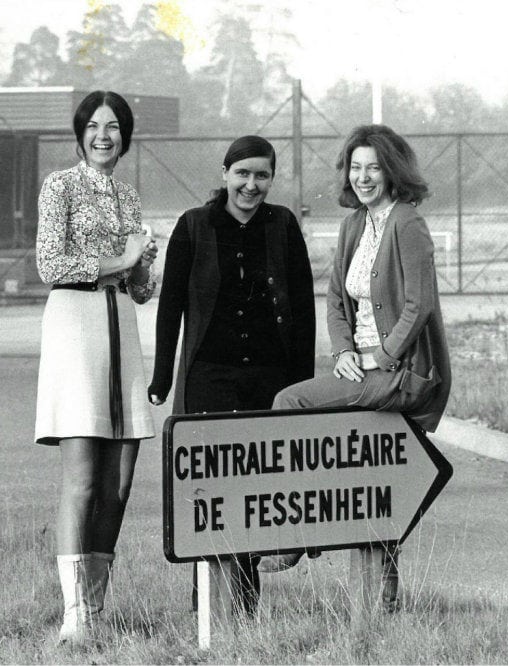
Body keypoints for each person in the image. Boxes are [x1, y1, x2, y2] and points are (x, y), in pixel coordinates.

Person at [261, 124, 452, 612]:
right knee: (369, 471)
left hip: (400, 372)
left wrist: (381, 355)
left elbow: (419, 303)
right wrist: (343, 350)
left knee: (290, 402)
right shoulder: (353, 224)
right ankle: (381, 591)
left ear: (392, 171)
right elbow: (334, 297)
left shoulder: (407, 223)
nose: (364, 177)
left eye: (374, 167)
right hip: (360, 366)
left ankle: (298, 533)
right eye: (356, 167)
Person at [148, 135, 316, 614]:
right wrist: (162, 376)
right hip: (210, 377)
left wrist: (300, 386)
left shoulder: (282, 225)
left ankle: (242, 603)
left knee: (256, 490)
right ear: (225, 174)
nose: (251, 184)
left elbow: (303, 310)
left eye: (262, 175)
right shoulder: (194, 225)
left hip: (269, 377)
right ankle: (207, 601)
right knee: (210, 490)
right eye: (242, 173)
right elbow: (171, 307)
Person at [34, 90, 159, 643]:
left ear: (125, 135)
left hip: (120, 327)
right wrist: (122, 259)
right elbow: (49, 262)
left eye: (112, 126)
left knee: (120, 482)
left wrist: (143, 264)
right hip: (74, 323)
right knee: (83, 481)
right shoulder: (59, 185)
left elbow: (140, 290)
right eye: (92, 125)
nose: (102, 135)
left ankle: (96, 609)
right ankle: (71, 619)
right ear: (79, 132)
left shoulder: (129, 197)